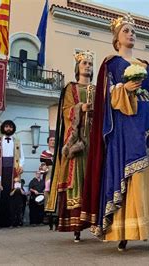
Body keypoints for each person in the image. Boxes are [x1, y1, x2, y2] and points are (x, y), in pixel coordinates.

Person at [86, 13, 149, 251]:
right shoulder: (110, 63)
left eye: (133, 31)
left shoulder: (145, 65)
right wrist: (125, 88)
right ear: (116, 38)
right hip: (128, 121)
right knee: (135, 171)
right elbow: (106, 97)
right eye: (126, 31)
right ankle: (125, 232)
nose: (131, 34)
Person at [45, 51, 96, 243]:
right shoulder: (70, 88)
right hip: (77, 141)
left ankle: (96, 221)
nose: (88, 66)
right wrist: (80, 108)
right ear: (78, 67)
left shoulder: (97, 88)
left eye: (90, 63)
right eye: (84, 63)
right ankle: (76, 226)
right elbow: (65, 111)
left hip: (93, 139)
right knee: (77, 179)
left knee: (94, 177)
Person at [0, 120, 24, 227]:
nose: (8, 128)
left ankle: (12, 221)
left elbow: (21, 156)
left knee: (12, 194)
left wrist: (21, 165)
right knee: (0, 194)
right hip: (0, 170)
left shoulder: (17, 141)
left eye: (10, 127)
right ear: (3, 128)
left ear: (13, 129)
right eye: (7, 126)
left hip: (12, 170)